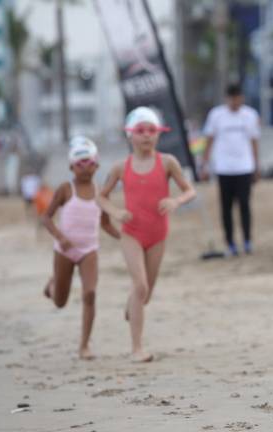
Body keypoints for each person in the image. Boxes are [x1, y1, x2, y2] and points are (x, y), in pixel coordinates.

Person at [98, 107, 197, 362]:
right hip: (131, 234)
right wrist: (115, 212)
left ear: (159, 134)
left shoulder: (167, 162)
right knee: (140, 285)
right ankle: (137, 349)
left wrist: (175, 201)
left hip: (158, 235)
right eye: (140, 131)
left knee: (146, 293)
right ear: (130, 135)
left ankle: (132, 305)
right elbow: (101, 196)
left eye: (151, 131)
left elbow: (190, 190)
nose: (146, 136)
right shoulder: (121, 167)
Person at [40, 136, 120, 360]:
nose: (85, 168)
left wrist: (123, 237)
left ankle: (84, 345)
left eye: (90, 163)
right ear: (71, 167)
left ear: (97, 165)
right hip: (64, 251)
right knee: (60, 302)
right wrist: (60, 237)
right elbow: (46, 217)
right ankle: (53, 285)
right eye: (80, 163)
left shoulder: (101, 192)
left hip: (89, 251)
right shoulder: (65, 189)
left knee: (90, 293)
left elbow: (105, 223)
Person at [201, 83, 261, 256]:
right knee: (226, 208)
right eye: (232, 98)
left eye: (238, 98)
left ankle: (247, 240)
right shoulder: (216, 115)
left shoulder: (250, 115)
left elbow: (254, 141)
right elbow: (209, 140)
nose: (235, 102)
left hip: (244, 167)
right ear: (227, 98)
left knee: (244, 205)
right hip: (224, 168)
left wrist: (256, 165)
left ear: (242, 98)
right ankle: (230, 243)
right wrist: (204, 164)